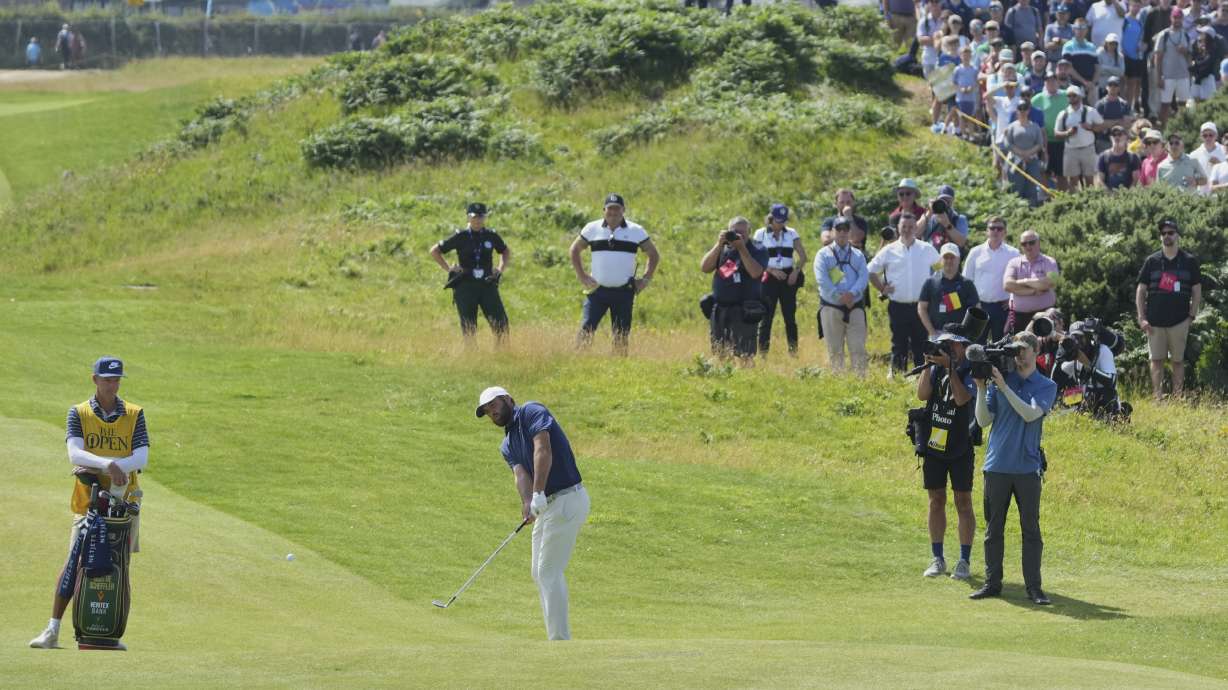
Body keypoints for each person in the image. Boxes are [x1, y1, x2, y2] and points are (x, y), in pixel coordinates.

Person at [29, 356, 149, 650]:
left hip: (124, 504)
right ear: (95, 380)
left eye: (117, 379)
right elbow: (75, 454)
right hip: (88, 503)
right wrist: (111, 465)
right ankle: (52, 630)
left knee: (120, 566)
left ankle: (110, 633)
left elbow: (142, 456)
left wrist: (107, 466)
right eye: (107, 379)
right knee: (76, 562)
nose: (113, 384)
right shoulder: (78, 413)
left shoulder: (135, 413)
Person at [476, 387, 588, 641]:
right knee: (539, 573)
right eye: (487, 411)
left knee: (548, 571)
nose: (492, 412)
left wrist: (538, 492)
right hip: (548, 505)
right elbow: (520, 474)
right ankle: (556, 636)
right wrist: (528, 501)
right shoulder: (507, 444)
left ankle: (559, 641)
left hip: (568, 497)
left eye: (494, 405)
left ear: (508, 400)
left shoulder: (530, 412)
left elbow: (542, 449)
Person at [970, 332, 1058, 604]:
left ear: (1035, 352)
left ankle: (1034, 587)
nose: (1018, 354)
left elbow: (1030, 414)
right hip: (996, 466)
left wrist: (1004, 388)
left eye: (1023, 349)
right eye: (1016, 349)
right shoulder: (1000, 381)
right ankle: (992, 583)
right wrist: (984, 388)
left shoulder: (1046, 385)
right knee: (993, 529)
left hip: (1027, 469)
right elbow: (984, 421)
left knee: (1031, 530)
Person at [917, 332, 977, 581]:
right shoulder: (934, 369)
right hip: (935, 443)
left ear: (963, 346)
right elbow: (922, 395)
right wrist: (929, 364)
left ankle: (964, 560)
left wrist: (951, 368)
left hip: (961, 445)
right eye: (946, 344)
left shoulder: (971, 370)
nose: (949, 348)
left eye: (953, 344)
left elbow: (963, 399)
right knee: (936, 500)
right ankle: (937, 558)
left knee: (963, 501)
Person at [570, 194, 660, 355]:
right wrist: (582, 275)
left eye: (617, 208)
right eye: (610, 208)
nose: (613, 212)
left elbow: (653, 254)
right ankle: (578, 362)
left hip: (624, 291)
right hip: (597, 291)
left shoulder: (636, 231)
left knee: (621, 334)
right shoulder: (592, 228)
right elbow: (574, 249)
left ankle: (619, 368)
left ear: (623, 210)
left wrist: (645, 279)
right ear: (604, 210)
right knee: (586, 328)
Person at [869, 214, 942, 377]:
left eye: (911, 227)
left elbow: (941, 268)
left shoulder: (926, 248)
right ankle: (897, 376)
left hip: (921, 307)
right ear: (898, 228)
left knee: (921, 342)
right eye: (904, 227)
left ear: (916, 228)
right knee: (898, 343)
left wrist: (935, 291)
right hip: (897, 305)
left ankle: (920, 376)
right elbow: (871, 270)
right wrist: (882, 288)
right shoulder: (888, 250)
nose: (907, 230)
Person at [429, 203, 511, 345]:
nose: (478, 220)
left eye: (481, 217)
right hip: (465, 285)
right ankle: (472, 359)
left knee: (501, 323)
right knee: (469, 326)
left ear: (485, 217)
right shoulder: (460, 236)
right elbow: (435, 251)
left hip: (487, 284)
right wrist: (449, 268)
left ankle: (502, 356)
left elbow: (505, 250)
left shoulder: (491, 235)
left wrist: (500, 268)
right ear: (468, 217)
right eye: (474, 217)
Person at [1136, 220, 1201, 399]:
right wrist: (1142, 318)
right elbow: (1141, 290)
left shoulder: (1189, 261)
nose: (1167, 236)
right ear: (1160, 236)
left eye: (1170, 232)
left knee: (1178, 361)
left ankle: (1178, 397)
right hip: (1154, 322)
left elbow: (1197, 291)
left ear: (1177, 235)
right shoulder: (1152, 261)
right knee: (1156, 361)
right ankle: (1158, 398)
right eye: (1163, 233)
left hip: (1180, 321)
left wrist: (1191, 316)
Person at [703, 217, 766, 362]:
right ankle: (725, 378)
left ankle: (747, 382)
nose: (739, 235)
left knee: (745, 355)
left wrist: (741, 248)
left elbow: (756, 272)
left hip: (745, 310)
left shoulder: (758, 248)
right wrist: (719, 245)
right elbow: (705, 267)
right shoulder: (723, 248)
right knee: (720, 353)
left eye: (743, 233)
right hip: (721, 308)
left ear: (749, 232)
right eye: (735, 232)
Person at [815, 216, 870, 375]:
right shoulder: (823, 255)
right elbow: (822, 279)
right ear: (832, 232)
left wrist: (852, 294)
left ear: (849, 232)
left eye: (845, 230)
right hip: (831, 306)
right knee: (834, 349)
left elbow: (863, 277)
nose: (842, 233)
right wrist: (839, 296)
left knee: (858, 347)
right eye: (838, 229)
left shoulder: (858, 255)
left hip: (855, 306)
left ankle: (860, 381)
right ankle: (839, 381)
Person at [755, 204, 808, 357]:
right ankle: (763, 354)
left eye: (783, 220)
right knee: (766, 317)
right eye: (778, 220)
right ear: (771, 218)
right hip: (769, 276)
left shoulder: (791, 233)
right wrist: (771, 270)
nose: (781, 224)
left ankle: (793, 352)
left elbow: (803, 256)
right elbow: (755, 258)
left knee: (790, 316)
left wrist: (796, 272)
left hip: (787, 277)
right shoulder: (760, 234)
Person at [963, 217, 1020, 342]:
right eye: (992, 228)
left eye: (999, 228)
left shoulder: (1014, 253)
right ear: (986, 231)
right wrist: (972, 302)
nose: (995, 231)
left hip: (1003, 308)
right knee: (975, 346)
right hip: (979, 306)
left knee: (1002, 347)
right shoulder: (975, 252)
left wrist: (1012, 298)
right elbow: (966, 280)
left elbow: (1020, 279)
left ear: (1005, 232)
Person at [1004, 230, 1059, 333]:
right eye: (1024, 244)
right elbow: (1007, 285)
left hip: (1045, 314)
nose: (1028, 246)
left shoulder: (1051, 262)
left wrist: (1023, 281)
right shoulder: (1013, 263)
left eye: (1031, 242)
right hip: (1017, 316)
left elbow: (1051, 282)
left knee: (1043, 347)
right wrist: (1033, 291)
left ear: (1038, 243)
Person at [920, 243, 981, 337]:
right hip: (937, 334)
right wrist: (932, 332)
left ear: (958, 259)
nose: (949, 260)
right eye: (946, 257)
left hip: (960, 337)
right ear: (940, 260)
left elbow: (977, 309)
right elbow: (922, 308)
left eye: (952, 257)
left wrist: (968, 334)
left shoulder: (967, 284)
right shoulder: (930, 282)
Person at [1055, 85, 1104, 188]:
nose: (1071, 98)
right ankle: (1076, 202)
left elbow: (1101, 126)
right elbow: (1057, 133)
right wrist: (1068, 133)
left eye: (1074, 95)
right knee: (1073, 181)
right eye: (1069, 96)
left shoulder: (1090, 111)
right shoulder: (1063, 114)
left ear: (1080, 96)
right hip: (1070, 150)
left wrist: (1090, 127)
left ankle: (1090, 201)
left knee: (1089, 179)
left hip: (1088, 148)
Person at [1004, 98, 1050, 204]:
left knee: (1031, 188)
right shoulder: (1012, 127)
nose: (1022, 111)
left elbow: (1040, 142)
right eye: (1020, 109)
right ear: (1017, 111)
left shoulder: (1035, 126)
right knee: (1016, 187)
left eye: (1025, 109)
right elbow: (1007, 143)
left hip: (1032, 160)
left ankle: (1032, 209)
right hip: (1015, 161)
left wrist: (1028, 153)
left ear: (1028, 111)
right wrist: (1021, 153)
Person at [1154, 6, 1192, 128]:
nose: (1177, 20)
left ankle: (1182, 128)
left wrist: (1185, 51)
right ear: (1171, 18)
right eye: (1175, 18)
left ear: (1182, 19)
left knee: (1183, 104)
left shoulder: (1186, 35)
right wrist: (1158, 77)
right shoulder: (1163, 35)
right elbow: (1157, 58)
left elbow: (1190, 56)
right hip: (1167, 75)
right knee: (1165, 104)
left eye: (1179, 18)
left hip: (1183, 75)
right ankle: (1164, 129)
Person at [1033, 69, 1071, 189]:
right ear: (1045, 83)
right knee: (1045, 171)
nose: (1051, 83)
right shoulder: (1038, 99)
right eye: (1048, 81)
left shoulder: (1066, 95)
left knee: (1062, 173)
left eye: (1054, 81)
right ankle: (1047, 197)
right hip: (1045, 142)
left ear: (1057, 82)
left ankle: (1062, 198)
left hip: (1063, 141)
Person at [918, 185, 971, 251]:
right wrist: (929, 212)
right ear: (937, 200)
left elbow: (962, 242)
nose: (945, 204)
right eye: (942, 200)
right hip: (930, 257)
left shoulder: (959, 219)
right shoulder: (930, 217)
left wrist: (947, 224)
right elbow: (915, 234)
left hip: (949, 258)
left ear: (953, 202)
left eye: (948, 202)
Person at [1094, 76, 1134, 151]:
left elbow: (1127, 124)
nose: (1113, 87)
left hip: (1120, 142)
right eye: (1110, 85)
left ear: (1119, 88)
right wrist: (1117, 122)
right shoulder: (1100, 104)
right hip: (1104, 141)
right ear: (1106, 87)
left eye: (1115, 85)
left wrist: (1107, 123)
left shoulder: (1124, 104)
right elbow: (1097, 127)